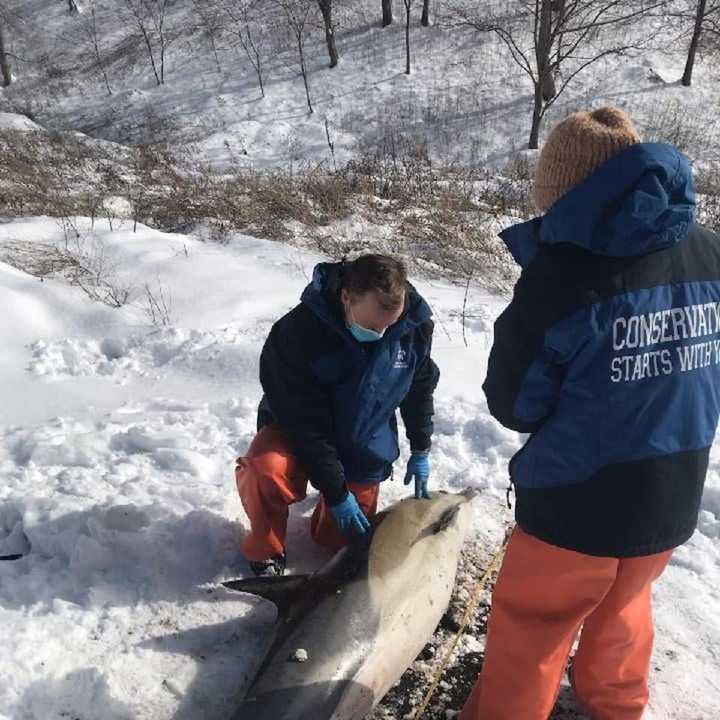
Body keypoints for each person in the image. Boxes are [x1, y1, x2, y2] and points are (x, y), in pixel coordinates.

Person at [459, 107, 720, 720]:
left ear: (565, 192)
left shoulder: (562, 277)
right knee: (624, 609)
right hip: (672, 487)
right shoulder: (710, 253)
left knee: (534, 626)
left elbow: (514, 404)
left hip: (578, 498)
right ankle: (615, 707)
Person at [234, 253, 440, 576]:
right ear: (346, 297)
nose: (382, 335)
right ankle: (266, 548)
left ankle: (328, 521)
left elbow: (419, 388)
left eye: (390, 325)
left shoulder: (412, 328)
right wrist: (335, 491)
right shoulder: (297, 333)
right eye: (372, 326)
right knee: (265, 471)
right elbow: (306, 427)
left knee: (342, 543)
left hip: (363, 439)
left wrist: (421, 448)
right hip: (299, 434)